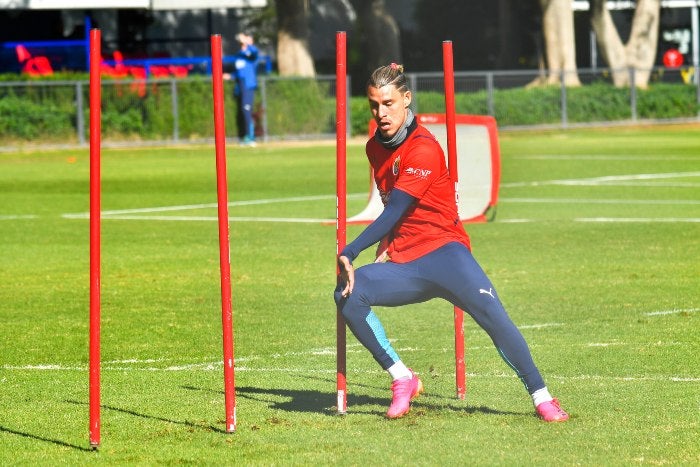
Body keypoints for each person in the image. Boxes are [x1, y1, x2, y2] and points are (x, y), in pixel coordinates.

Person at [334, 63, 569, 422]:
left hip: (446, 254)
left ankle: (542, 397)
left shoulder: (424, 148)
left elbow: (397, 208)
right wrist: (386, 244)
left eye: (389, 103)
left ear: (406, 99)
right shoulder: (373, 148)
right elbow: (388, 200)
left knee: (495, 318)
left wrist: (351, 250)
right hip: (404, 263)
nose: (381, 113)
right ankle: (402, 378)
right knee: (348, 293)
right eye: (373, 105)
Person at [231, 32, 258, 146]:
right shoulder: (239, 54)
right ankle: (246, 135)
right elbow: (239, 71)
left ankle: (250, 137)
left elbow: (254, 53)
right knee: (243, 111)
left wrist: (247, 41)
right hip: (241, 86)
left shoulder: (251, 53)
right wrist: (230, 76)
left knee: (247, 110)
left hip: (248, 85)